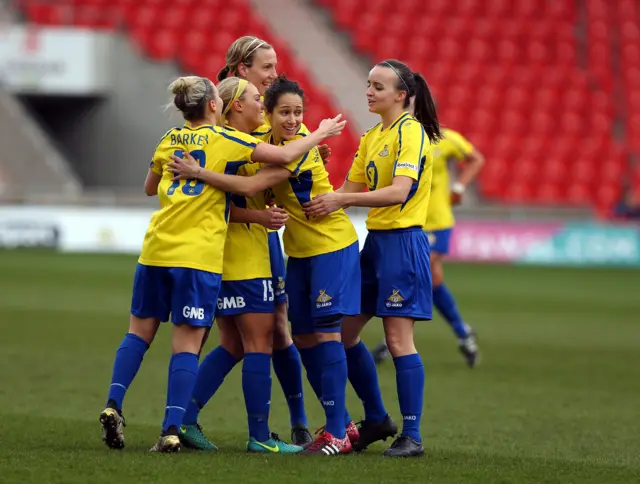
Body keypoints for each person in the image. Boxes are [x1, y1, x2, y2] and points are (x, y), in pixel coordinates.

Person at [99, 75, 346, 453]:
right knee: (236, 341)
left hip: (156, 248)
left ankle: (115, 403)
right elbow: (262, 175)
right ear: (219, 106)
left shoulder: (169, 138)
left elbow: (151, 187)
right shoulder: (230, 141)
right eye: (255, 96)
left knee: (148, 335)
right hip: (206, 255)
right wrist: (317, 139)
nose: (261, 101)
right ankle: (205, 430)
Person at [169, 76, 361, 456]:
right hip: (247, 253)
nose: (265, 90)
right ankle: (266, 432)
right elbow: (245, 191)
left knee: (252, 340)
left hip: (263, 251)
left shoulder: (242, 141)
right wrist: (319, 135)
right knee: (262, 340)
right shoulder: (245, 143)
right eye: (261, 95)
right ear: (239, 104)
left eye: (296, 112)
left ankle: (331, 424)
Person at [187, 36, 322, 447]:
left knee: (268, 334)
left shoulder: (256, 116)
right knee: (256, 336)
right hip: (242, 244)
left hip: (262, 244)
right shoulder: (238, 122)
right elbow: (262, 172)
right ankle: (255, 433)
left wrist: (307, 153)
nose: (274, 74)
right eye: (267, 67)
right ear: (244, 70)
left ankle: (296, 421)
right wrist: (298, 156)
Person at [303, 59, 441, 457]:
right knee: (343, 334)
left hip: (403, 245)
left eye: (378, 87)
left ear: (402, 96)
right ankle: (378, 418)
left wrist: (342, 198)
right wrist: (307, 174)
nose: (368, 91)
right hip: (376, 245)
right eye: (368, 84)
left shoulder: (410, 133)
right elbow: (344, 191)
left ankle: (412, 436)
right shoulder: (372, 137)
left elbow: (398, 192)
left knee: (399, 341)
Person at [371, 127, 485, 367]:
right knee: (433, 281)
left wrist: (459, 187)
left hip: (437, 221)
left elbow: (476, 159)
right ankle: (463, 332)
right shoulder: (400, 139)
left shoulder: (447, 139)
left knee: (416, 272)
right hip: (411, 221)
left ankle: (392, 339)